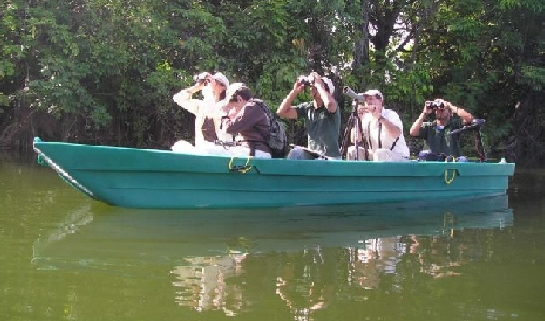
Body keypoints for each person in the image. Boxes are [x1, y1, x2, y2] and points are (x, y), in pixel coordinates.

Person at [277, 72, 341, 160]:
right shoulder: (308, 108)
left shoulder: (332, 106)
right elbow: (281, 112)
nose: (311, 89)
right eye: (312, 87)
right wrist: (294, 91)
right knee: (295, 152)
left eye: (314, 88)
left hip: (330, 157)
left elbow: (330, 104)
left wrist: (319, 85)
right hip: (313, 155)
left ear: (326, 90)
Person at [172, 71, 232, 151]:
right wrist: (196, 87)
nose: (212, 84)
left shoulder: (229, 106)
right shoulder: (202, 107)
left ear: (223, 87)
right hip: (202, 153)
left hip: (222, 153)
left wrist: (213, 88)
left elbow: (216, 110)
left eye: (217, 82)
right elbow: (178, 98)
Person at [346, 90, 410, 161]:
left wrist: (380, 117)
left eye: (371, 99)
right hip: (376, 156)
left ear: (380, 101)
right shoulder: (366, 118)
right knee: (353, 150)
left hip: (398, 156)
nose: (368, 102)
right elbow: (355, 139)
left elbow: (396, 133)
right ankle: (357, 172)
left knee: (381, 153)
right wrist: (359, 119)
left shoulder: (391, 114)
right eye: (366, 100)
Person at [218, 83, 272, 158]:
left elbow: (229, 128)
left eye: (232, 106)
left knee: (212, 153)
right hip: (252, 151)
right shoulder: (255, 108)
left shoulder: (251, 107)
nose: (232, 110)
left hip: (255, 152)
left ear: (239, 99)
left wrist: (224, 115)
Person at [409, 98, 474, 158]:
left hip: (450, 164)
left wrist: (451, 106)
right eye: (436, 110)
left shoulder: (455, 125)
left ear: (450, 113)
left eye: (442, 110)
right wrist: (424, 113)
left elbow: (469, 118)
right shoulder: (429, 126)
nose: (439, 111)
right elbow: (413, 132)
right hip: (431, 164)